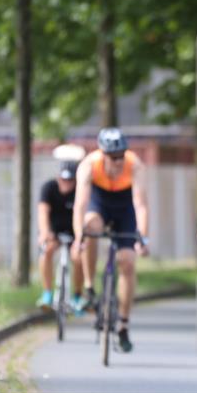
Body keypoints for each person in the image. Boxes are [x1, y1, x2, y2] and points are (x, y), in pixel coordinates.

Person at [72, 128, 150, 353]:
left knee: (127, 261)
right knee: (90, 228)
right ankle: (89, 286)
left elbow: (141, 205)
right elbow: (80, 205)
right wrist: (79, 237)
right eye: (113, 157)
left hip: (125, 207)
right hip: (100, 203)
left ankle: (124, 325)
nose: (118, 161)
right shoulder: (88, 166)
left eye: (121, 155)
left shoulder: (134, 165)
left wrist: (142, 237)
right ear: (102, 153)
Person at [37, 144, 86, 311]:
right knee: (46, 252)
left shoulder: (81, 190)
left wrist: (80, 238)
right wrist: (45, 232)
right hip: (55, 232)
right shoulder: (48, 188)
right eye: (63, 179)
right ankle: (47, 293)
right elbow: (43, 212)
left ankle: (78, 296)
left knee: (79, 258)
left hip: (75, 232)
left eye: (70, 180)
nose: (66, 184)